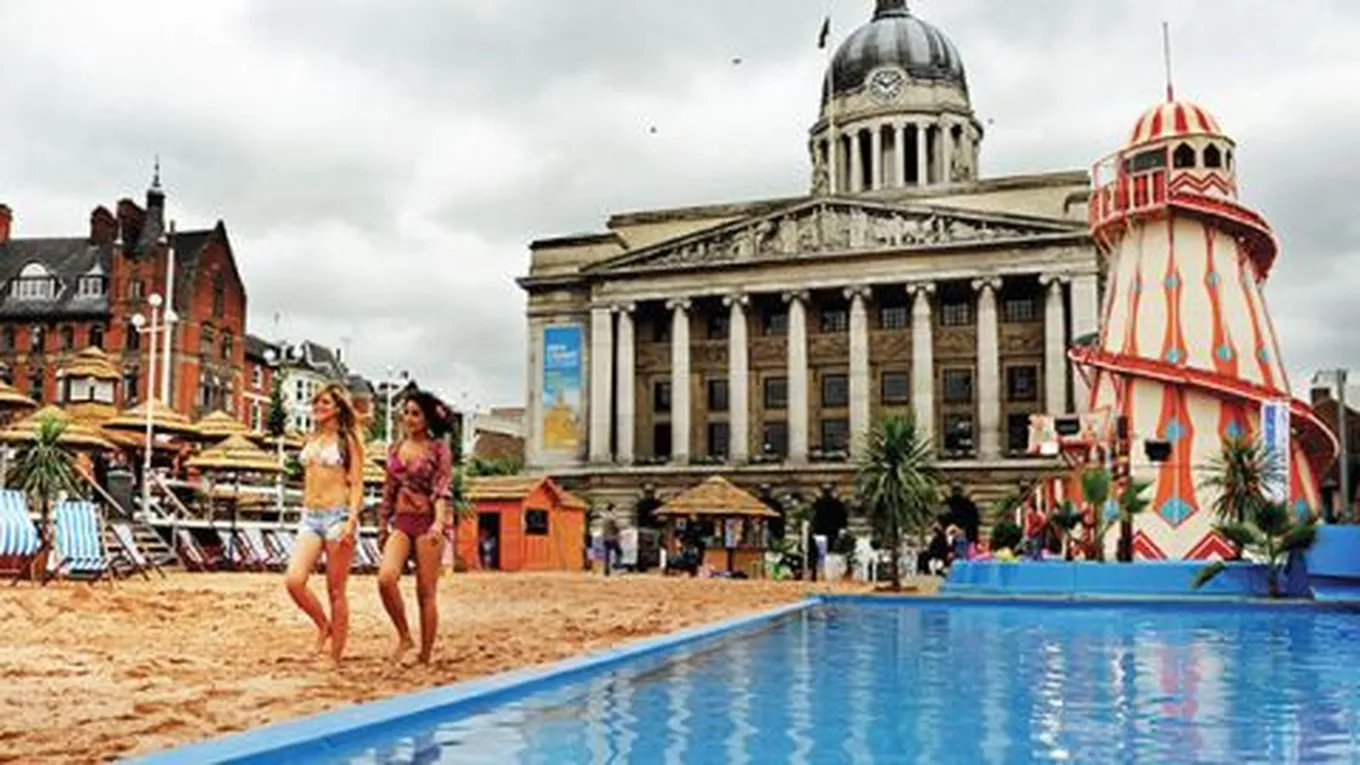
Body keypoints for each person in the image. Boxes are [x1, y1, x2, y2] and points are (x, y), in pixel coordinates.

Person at [283, 382, 364, 663]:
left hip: (337, 516)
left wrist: (352, 521)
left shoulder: (348, 441)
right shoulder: (311, 438)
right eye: (316, 402)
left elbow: (356, 484)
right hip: (310, 517)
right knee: (294, 581)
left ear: (338, 408)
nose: (318, 406)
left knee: (336, 590)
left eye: (325, 402)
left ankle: (336, 655)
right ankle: (323, 626)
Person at [377, 390, 455, 664]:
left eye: (415, 414)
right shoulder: (395, 449)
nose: (409, 418)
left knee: (426, 592)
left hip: (427, 523)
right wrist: (382, 525)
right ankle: (405, 636)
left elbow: (442, 488)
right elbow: (389, 490)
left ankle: (425, 654)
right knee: (386, 579)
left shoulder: (438, 449)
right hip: (401, 522)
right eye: (406, 412)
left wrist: (438, 524)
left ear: (427, 419)